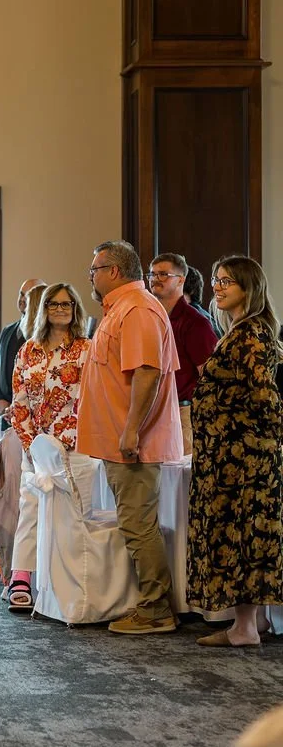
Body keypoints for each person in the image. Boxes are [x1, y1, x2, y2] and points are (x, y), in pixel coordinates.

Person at [77, 239, 183, 635]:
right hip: (121, 440)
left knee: (139, 525)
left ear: (114, 271)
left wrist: (132, 430)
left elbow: (147, 373)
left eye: (94, 270)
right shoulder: (120, 309)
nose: (90, 276)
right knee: (134, 523)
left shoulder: (137, 309)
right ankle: (152, 605)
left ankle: (156, 609)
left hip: (133, 443)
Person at [187, 256, 283, 647]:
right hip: (235, 456)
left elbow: (265, 397)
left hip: (242, 460)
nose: (218, 287)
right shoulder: (242, 330)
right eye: (215, 280)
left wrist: (263, 438)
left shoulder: (249, 334)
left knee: (240, 535)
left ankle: (244, 629)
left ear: (249, 287)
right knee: (246, 534)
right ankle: (252, 622)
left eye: (227, 281)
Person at [5, 283, 91, 611]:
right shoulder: (28, 350)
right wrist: (30, 444)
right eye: (53, 304)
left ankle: (62, 582)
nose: (60, 309)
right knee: (30, 505)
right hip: (37, 446)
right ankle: (22, 577)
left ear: (75, 309)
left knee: (70, 514)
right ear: (43, 309)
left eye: (67, 303)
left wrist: (72, 439)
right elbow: (20, 402)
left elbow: (91, 398)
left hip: (75, 445)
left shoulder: (86, 349)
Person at [147, 252, 217, 455]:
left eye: (163, 274)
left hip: (183, 412)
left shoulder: (195, 322)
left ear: (181, 280)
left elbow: (209, 375)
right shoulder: (151, 317)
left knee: (182, 475)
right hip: (154, 410)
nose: (155, 279)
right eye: (151, 274)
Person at [0, 276, 45, 431]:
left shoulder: (44, 336)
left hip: (34, 420)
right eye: (21, 294)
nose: (22, 300)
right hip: (7, 417)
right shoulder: (7, 331)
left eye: (28, 296)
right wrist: (1, 405)